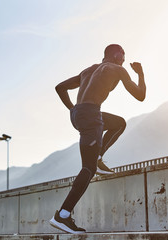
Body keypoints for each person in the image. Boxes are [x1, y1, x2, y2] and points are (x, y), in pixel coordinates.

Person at [50, 44, 146, 234]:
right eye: (124, 57)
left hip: (80, 113)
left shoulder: (88, 70)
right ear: (117, 55)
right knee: (88, 168)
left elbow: (60, 88)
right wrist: (140, 74)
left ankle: (99, 157)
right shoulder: (118, 69)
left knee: (119, 123)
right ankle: (62, 215)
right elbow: (140, 96)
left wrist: (72, 109)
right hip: (90, 115)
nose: (124, 60)